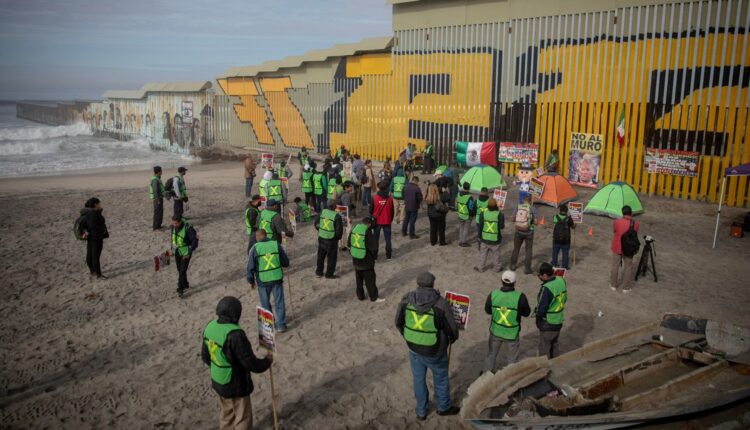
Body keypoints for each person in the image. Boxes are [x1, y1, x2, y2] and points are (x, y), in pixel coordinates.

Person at [395, 272, 460, 420]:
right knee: (441, 378)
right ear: (433, 284)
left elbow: (398, 322)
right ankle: (443, 407)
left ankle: (421, 411)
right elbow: (452, 330)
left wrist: (409, 336)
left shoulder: (406, 299)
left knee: (418, 379)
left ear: (418, 283)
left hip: (413, 347)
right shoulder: (441, 304)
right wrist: (451, 340)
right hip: (435, 350)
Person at [201, 296, 273, 430]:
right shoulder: (235, 334)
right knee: (242, 416)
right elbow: (250, 363)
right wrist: (267, 361)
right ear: (236, 315)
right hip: (236, 383)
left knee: (226, 414)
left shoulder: (210, 326)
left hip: (218, 379)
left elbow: (205, 357)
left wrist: (220, 366)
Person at [482, 270, 530, 372]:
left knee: (491, 354)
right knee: (512, 359)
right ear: (514, 283)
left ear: (501, 281)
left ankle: (486, 374)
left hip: (496, 330)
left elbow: (487, 310)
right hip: (512, 333)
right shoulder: (520, 297)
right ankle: (510, 377)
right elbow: (527, 313)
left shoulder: (493, 294)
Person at [247, 229, 291, 332]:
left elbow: (250, 267)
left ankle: (269, 326)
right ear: (266, 235)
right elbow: (286, 262)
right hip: (277, 278)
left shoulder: (255, 248)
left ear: (257, 238)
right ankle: (281, 325)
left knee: (265, 304)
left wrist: (251, 281)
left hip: (263, 281)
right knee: (279, 302)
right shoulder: (276, 244)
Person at [535, 262, 567, 358]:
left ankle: (544, 371)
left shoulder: (547, 288)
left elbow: (541, 309)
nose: (539, 277)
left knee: (544, 349)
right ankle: (555, 365)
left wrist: (538, 319)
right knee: (554, 345)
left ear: (545, 275)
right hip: (559, 319)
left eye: (540, 275)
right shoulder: (561, 280)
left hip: (548, 321)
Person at [349, 217, 383, 302]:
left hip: (355, 258)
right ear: (369, 224)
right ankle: (373, 297)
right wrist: (374, 256)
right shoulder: (367, 231)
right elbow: (374, 247)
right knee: (370, 280)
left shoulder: (355, 228)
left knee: (359, 280)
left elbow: (349, 243)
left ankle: (360, 296)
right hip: (366, 261)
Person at [610, 205, 639, 293]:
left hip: (617, 247)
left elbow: (615, 231)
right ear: (631, 213)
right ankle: (626, 287)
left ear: (622, 213)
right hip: (629, 248)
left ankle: (613, 285)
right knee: (628, 267)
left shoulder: (617, 222)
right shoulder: (636, 223)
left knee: (615, 266)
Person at [314, 201, 344, 279]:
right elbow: (339, 231)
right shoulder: (337, 216)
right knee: (331, 258)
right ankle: (329, 274)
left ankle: (319, 272)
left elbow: (316, 223)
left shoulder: (323, 212)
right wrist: (338, 238)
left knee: (320, 256)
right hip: (331, 240)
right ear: (335, 207)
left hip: (321, 237)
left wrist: (321, 230)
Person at [81, 197, 109, 279]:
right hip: (96, 238)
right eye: (99, 204)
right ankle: (98, 274)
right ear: (95, 204)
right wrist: (101, 233)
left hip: (90, 237)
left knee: (90, 254)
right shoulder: (93, 214)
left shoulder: (87, 213)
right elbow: (95, 226)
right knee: (95, 257)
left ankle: (92, 271)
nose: (100, 205)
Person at [509, 194, 538, 274]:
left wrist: (518, 221)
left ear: (524, 200)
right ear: (530, 200)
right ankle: (527, 269)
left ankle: (513, 265)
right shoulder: (533, 208)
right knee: (528, 250)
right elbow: (536, 222)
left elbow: (512, 219)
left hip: (518, 231)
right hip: (529, 232)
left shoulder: (518, 207)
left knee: (516, 249)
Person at [171, 215, 198, 298]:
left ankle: (180, 288)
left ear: (180, 222)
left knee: (182, 271)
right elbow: (173, 238)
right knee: (180, 269)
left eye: (176, 223)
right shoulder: (173, 227)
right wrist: (171, 250)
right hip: (177, 251)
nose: (174, 225)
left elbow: (194, 241)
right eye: (173, 223)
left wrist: (189, 252)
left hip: (186, 252)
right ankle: (185, 284)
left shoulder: (188, 229)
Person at [475, 198, 505, 273]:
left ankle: (481, 268)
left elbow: (480, 226)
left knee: (483, 254)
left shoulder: (483, 213)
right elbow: (501, 226)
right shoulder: (499, 214)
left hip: (484, 237)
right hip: (495, 238)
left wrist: (479, 236)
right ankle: (497, 268)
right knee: (496, 255)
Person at [371, 181, 394, 260]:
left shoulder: (374, 198)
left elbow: (371, 210)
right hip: (387, 221)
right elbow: (392, 211)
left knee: (375, 240)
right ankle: (389, 256)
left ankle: (374, 256)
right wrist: (390, 219)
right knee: (388, 240)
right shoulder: (390, 199)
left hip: (377, 221)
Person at [551, 204, 575, 269]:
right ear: (566, 211)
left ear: (560, 210)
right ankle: (564, 266)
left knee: (555, 252)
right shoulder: (569, 219)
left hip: (556, 239)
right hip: (566, 240)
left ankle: (554, 264)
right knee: (565, 253)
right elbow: (573, 227)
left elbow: (554, 223)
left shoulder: (555, 217)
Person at [456, 182, 477, 247]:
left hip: (460, 214)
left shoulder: (458, 194)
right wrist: (473, 214)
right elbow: (471, 207)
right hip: (467, 215)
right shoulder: (469, 197)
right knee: (466, 229)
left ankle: (460, 240)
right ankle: (463, 241)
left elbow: (457, 203)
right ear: (469, 188)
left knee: (461, 228)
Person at [149, 166, 165, 231]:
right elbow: (155, 191)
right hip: (157, 199)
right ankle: (156, 227)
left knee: (160, 212)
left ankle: (159, 225)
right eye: (161, 171)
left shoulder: (157, 178)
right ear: (158, 172)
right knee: (157, 212)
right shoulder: (155, 180)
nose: (162, 172)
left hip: (159, 198)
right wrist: (158, 199)